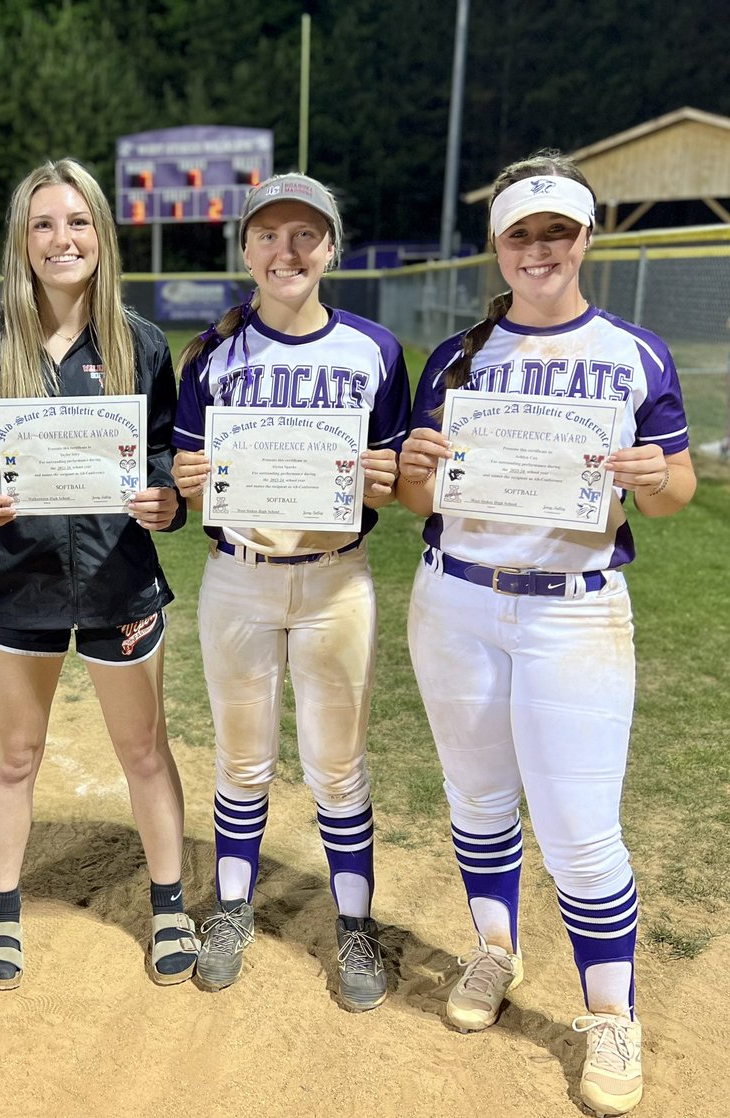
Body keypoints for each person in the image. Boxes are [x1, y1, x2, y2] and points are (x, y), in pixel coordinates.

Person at [396, 150, 695, 1117]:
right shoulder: (456, 357)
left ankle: (611, 1013)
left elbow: (678, 494)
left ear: (586, 239)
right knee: (478, 797)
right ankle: (494, 951)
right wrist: (416, 462)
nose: (540, 249)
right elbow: (415, 497)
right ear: (498, 245)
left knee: (578, 829)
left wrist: (656, 476)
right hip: (456, 598)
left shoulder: (635, 352)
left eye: (557, 231)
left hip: (576, 605)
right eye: (522, 233)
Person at [0, 158, 198, 990]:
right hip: (22, 579)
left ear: (101, 236)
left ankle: (169, 907)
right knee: (16, 753)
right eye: (44, 224)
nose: (63, 238)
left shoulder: (142, 343)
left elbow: (165, 461)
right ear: (23, 240)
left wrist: (167, 502)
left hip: (121, 579)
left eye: (78, 221)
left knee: (145, 751)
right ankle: (3, 916)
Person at [170, 173, 410, 1008]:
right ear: (246, 250)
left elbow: (395, 473)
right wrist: (186, 477)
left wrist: (387, 475)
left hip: (336, 579)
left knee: (338, 767)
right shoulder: (209, 353)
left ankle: (354, 924)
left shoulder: (374, 348)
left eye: (306, 234)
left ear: (331, 250)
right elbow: (183, 477)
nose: (288, 250)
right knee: (243, 761)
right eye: (269, 234)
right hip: (239, 578)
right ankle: (231, 910)